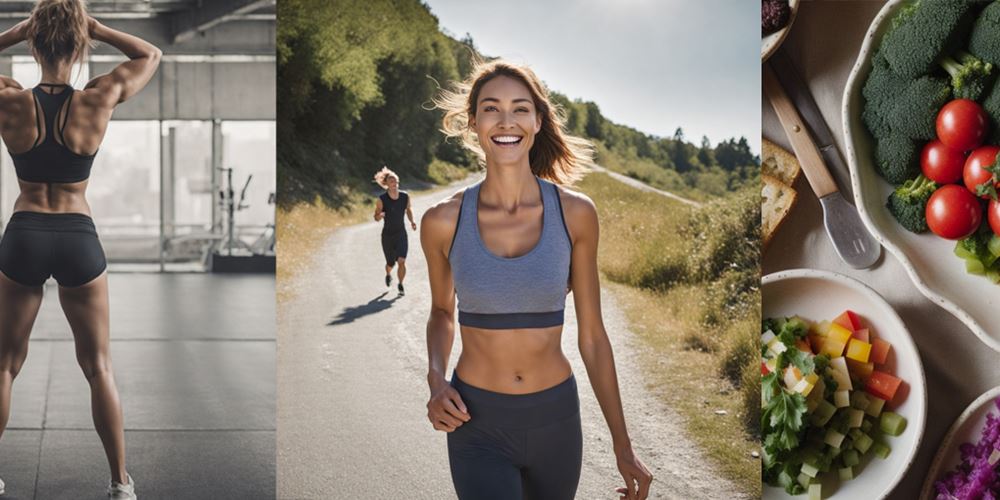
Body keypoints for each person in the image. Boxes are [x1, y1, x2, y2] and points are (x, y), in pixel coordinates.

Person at [421, 59, 653, 500]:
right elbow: (439, 311)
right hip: (476, 422)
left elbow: (594, 338)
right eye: (491, 109)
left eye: (520, 109)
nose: (506, 121)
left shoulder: (576, 213)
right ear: (473, 123)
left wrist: (623, 446)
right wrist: (436, 380)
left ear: (538, 120)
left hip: (556, 422)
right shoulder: (442, 221)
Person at [0, 2, 160, 498]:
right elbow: (150, 53)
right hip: (76, 236)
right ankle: (120, 483)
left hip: (24, 232)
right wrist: (95, 27)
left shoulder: (9, 98)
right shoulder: (98, 97)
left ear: (34, 44)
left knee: (4, 365)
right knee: (99, 367)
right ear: (78, 44)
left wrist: (19, 30)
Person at [373, 166, 416, 295]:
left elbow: (408, 209)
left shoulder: (405, 196)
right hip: (387, 236)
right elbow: (375, 216)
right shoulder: (382, 199)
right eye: (391, 181)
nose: (394, 183)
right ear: (386, 184)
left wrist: (412, 221)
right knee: (390, 263)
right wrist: (379, 216)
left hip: (401, 234)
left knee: (401, 261)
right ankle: (388, 273)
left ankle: (401, 284)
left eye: (395, 181)